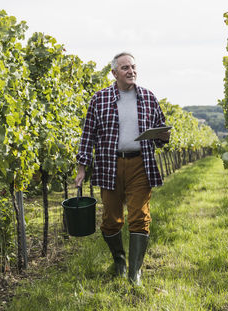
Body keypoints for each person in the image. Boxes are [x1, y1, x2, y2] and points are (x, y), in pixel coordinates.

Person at [75, 52, 170, 286]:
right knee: (111, 220)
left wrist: (164, 135)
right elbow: (88, 135)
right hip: (109, 164)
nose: (131, 71)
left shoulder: (148, 97)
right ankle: (119, 260)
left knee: (139, 216)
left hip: (140, 163)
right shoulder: (99, 99)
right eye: (125, 68)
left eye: (133, 67)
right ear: (114, 73)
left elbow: (160, 132)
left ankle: (134, 272)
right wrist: (81, 168)